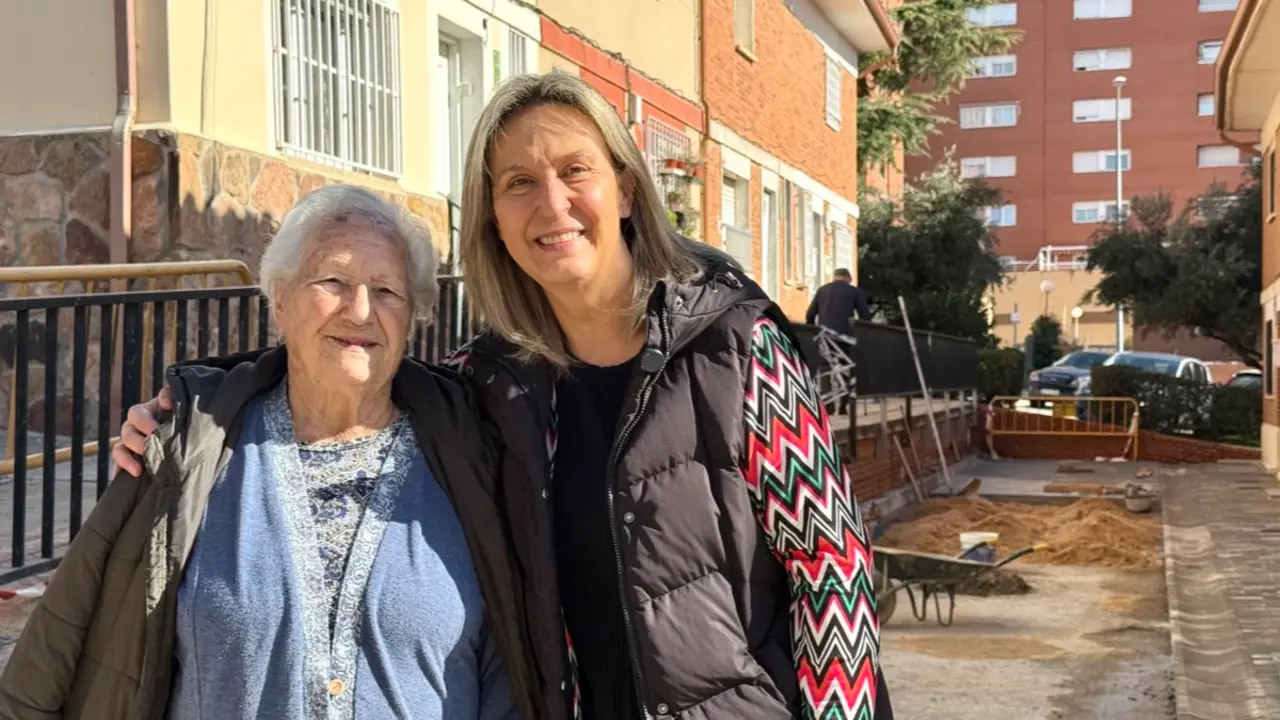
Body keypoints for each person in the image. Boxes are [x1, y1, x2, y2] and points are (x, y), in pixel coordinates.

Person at [111, 71, 892, 719]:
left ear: (623, 188)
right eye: (519, 183)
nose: (551, 205)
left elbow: (831, 569)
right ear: (494, 218)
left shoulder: (735, 345)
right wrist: (195, 412)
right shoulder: (489, 383)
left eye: (574, 171)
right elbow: (347, 353)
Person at [0, 186, 522, 720]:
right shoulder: (194, 446)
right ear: (280, 299)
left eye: (387, 291)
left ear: (413, 316)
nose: (361, 310)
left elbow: (511, 670)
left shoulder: (472, 454)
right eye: (334, 281)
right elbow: (70, 637)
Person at [805, 268, 873, 334]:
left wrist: (814, 331)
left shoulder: (822, 290)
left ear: (834, 277)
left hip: (824, 334)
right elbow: (865, 316)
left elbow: (810, 314)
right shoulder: (855, 291)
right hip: (844, 335)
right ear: (849, 278)